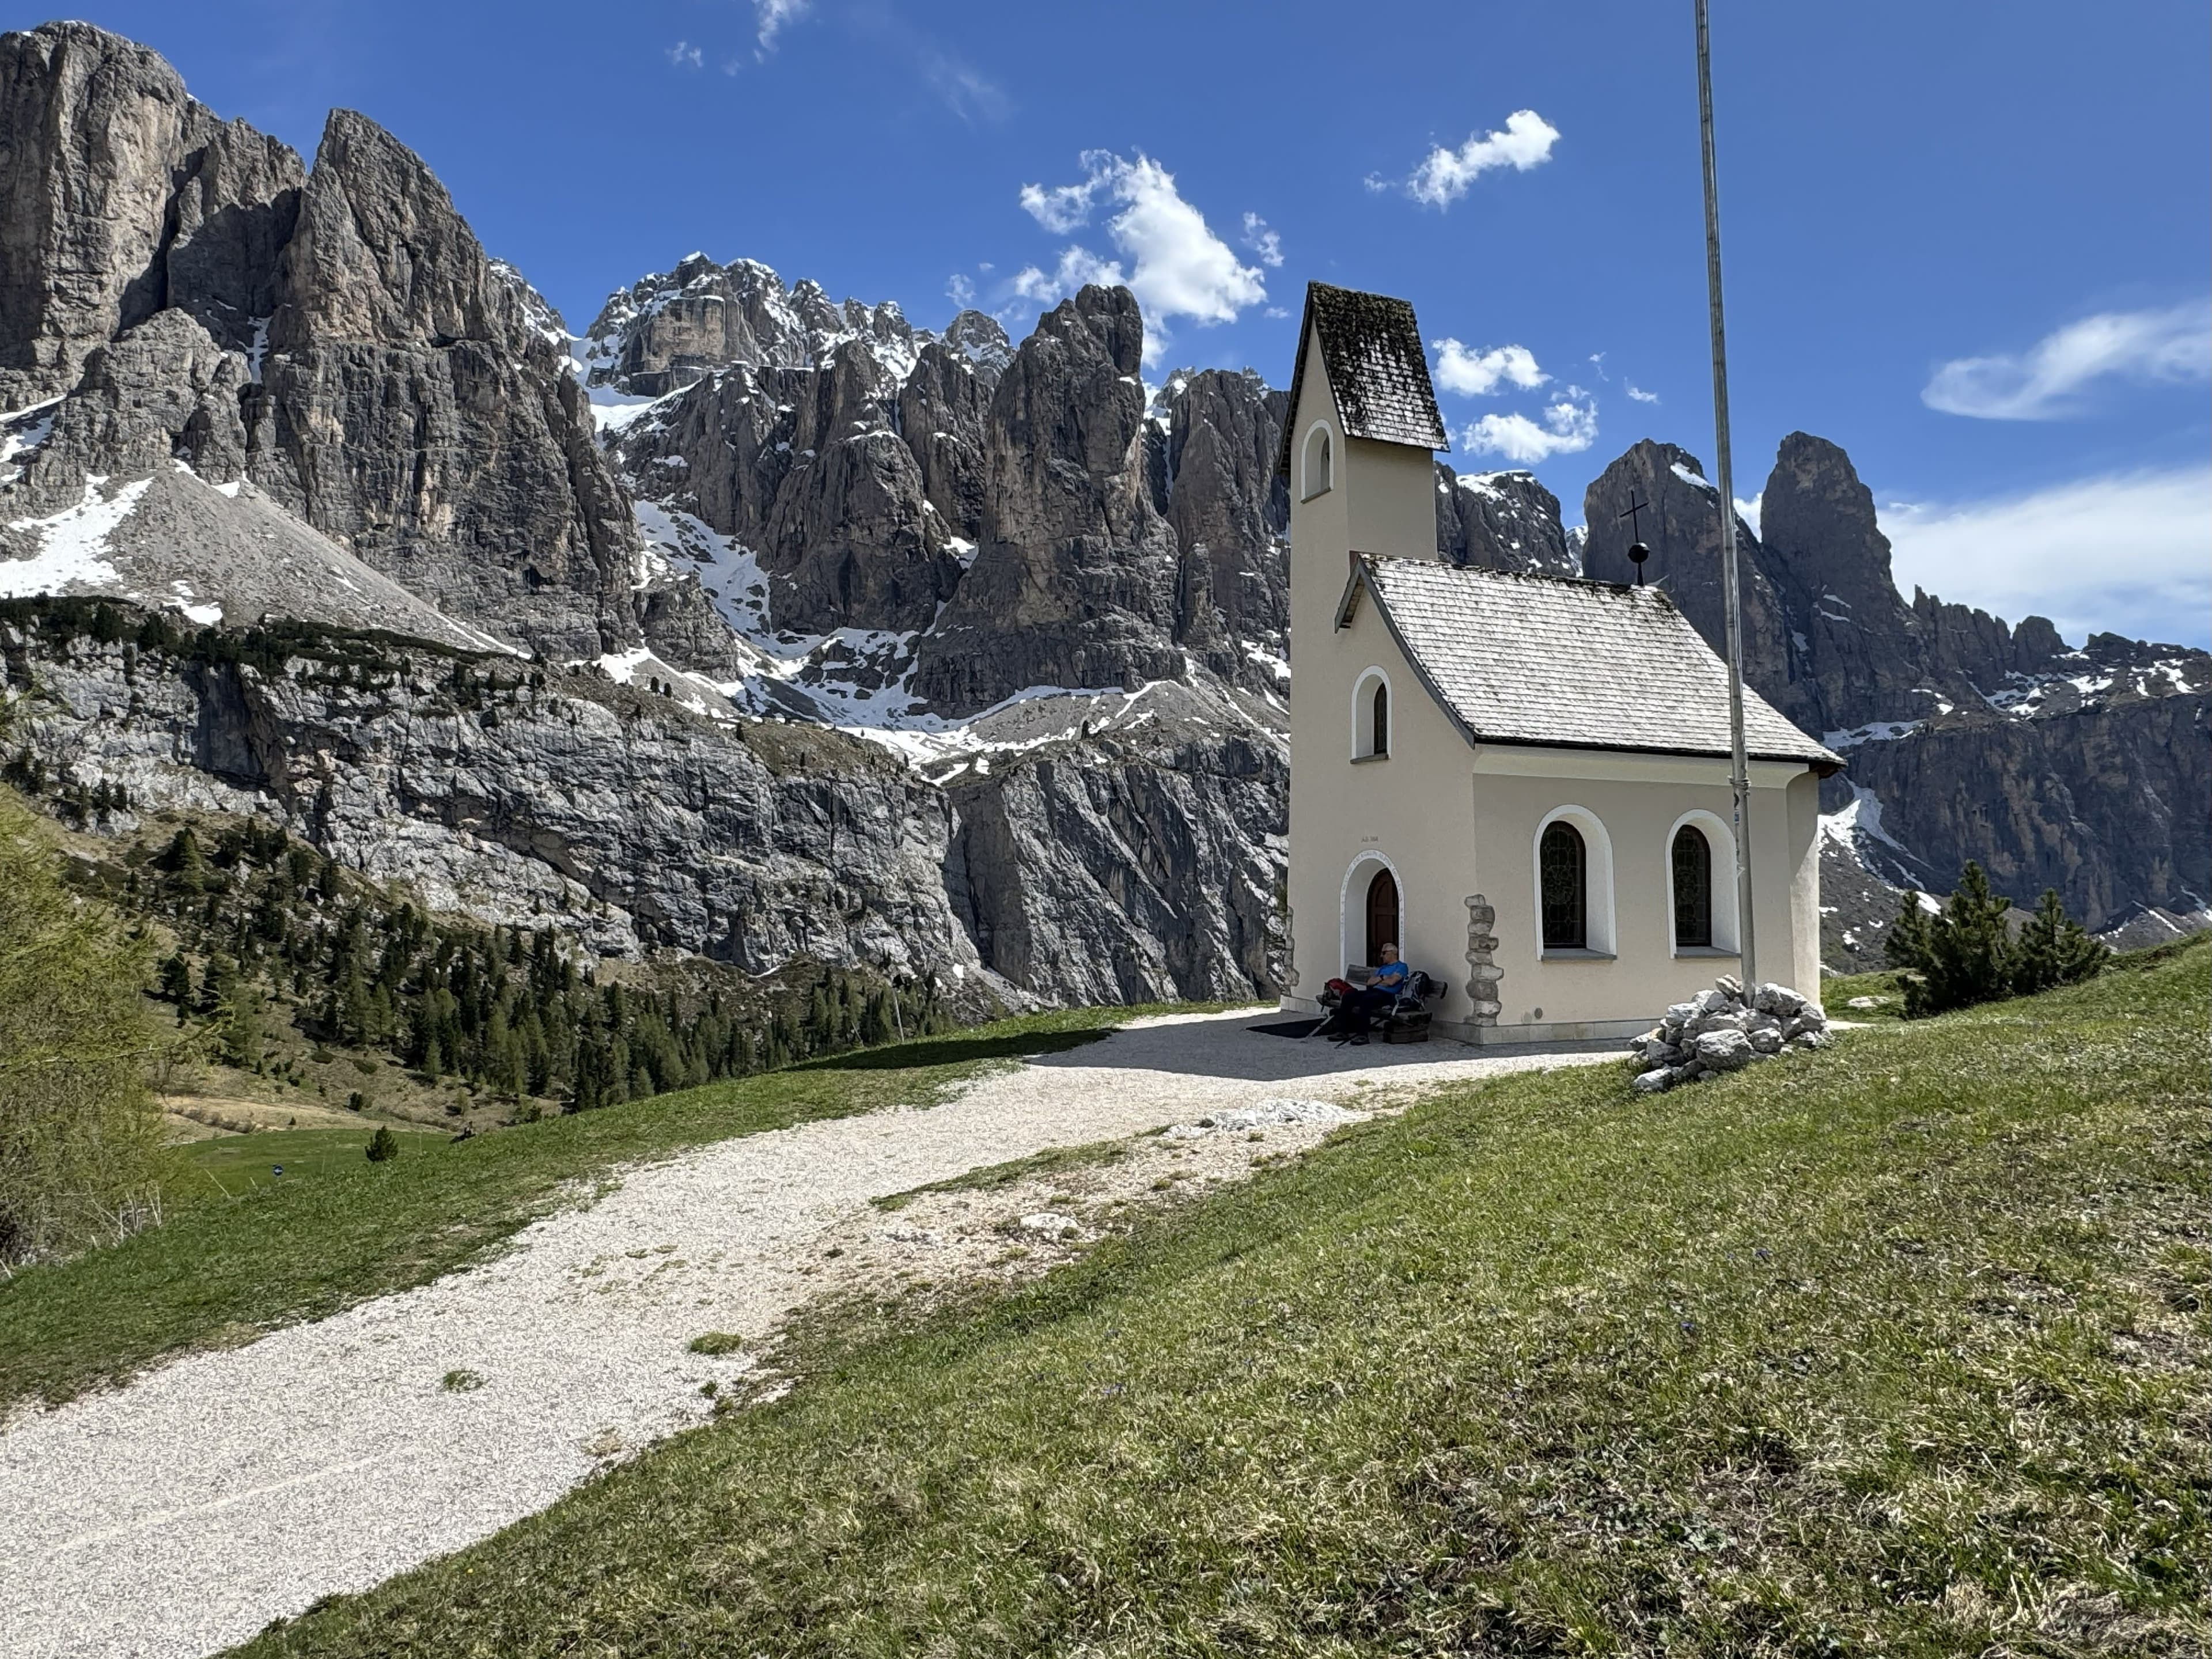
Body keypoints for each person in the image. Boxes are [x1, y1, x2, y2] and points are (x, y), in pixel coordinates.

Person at [1333, 944, 1411, 1046]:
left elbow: (1392, 982)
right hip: (1373, 992)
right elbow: (1370, 982)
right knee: (1349, 996)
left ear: (1393, 953)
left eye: (1384, 953)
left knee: (1366, 1000)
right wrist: (1383, 978)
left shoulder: (1401, 967)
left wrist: (1379, 981)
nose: (1381, 956)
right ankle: (1343, 1031)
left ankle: (1363, 1035)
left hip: (1388, 995)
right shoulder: (1382, 969)